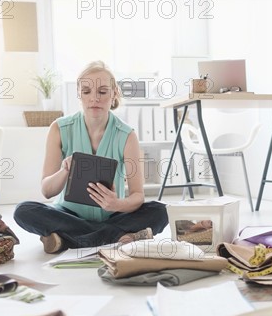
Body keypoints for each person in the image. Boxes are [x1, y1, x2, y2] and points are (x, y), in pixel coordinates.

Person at [14, 61, 169, 253]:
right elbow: (47, 191)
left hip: (113, 215)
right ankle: (113, 237)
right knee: (24, 210)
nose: (94, 98)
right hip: (68, 215)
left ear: (114, 94)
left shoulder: (127, 135)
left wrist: (117, 204)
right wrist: (64, 171)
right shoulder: (59, 129)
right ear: (79, 94)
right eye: (87, 91)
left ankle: (68, 239)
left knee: (160, 211)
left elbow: (138, 195)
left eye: (102, 92)